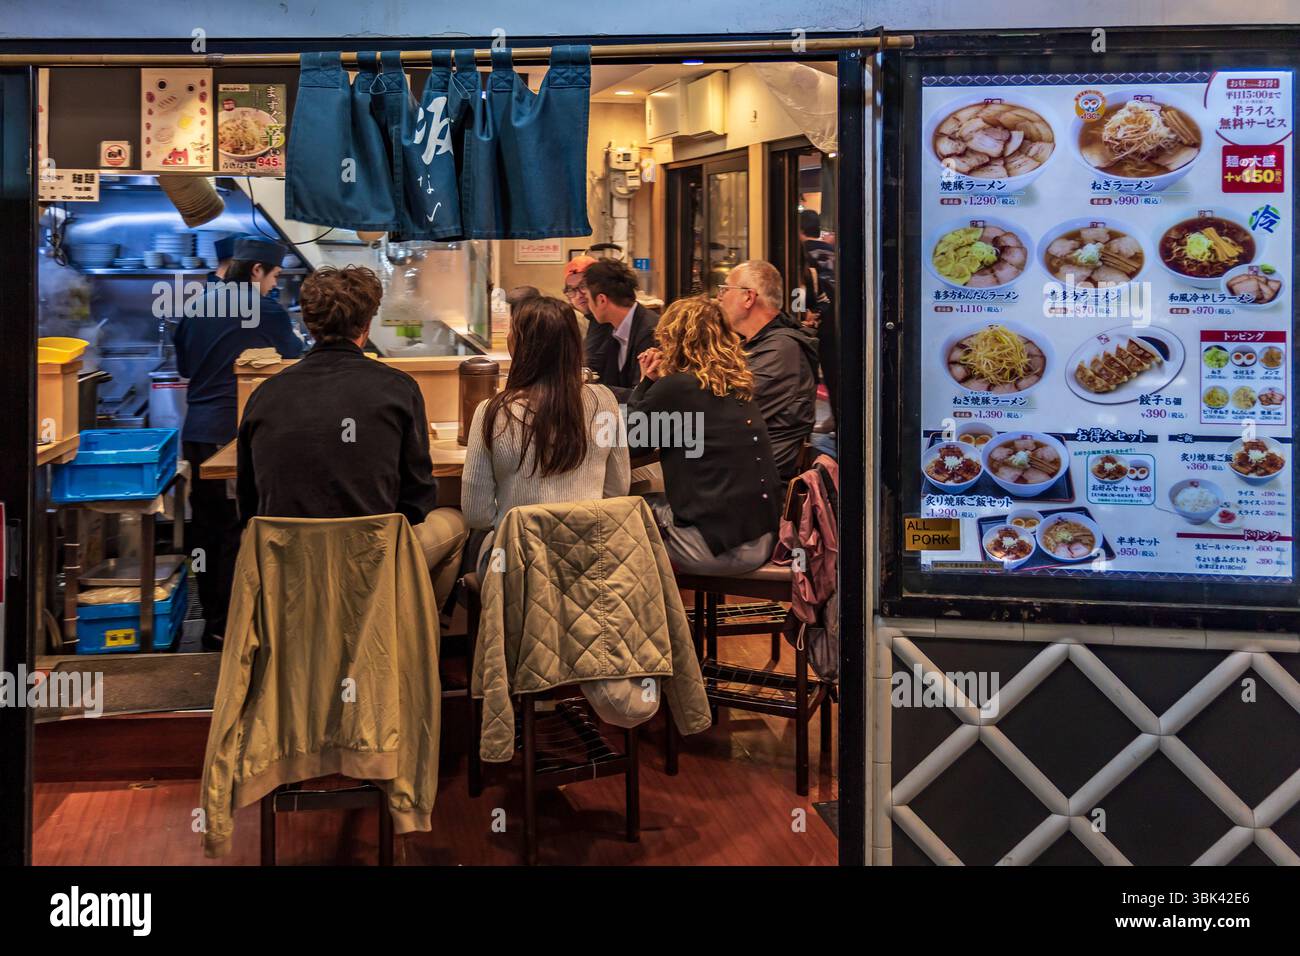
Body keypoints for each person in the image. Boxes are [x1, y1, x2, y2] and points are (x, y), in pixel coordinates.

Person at [236, 265, 468, 609]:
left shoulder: (264, 394)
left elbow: (248, 504)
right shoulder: (398, 388)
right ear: (366, 325)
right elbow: (418, 499)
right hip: (371, 560)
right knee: (457, 523)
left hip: (288, 566)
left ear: (309, 325)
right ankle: (404, 632)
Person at [175, 236, 304, 649]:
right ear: (256, 271)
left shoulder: (195, 305)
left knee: (208, 527)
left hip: (197, 433)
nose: (273, 285)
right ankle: (239, 627)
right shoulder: (267, 311)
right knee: (239, 529)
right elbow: (292, 365)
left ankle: (214, 620)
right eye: (274, 277)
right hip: (237, 434)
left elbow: (185, 366)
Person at [461, 294, 630, 575]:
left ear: (519, 345)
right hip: (590, 561)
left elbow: (476, 514)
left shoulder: (490, 412)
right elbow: (617, 490)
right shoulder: (604, 401)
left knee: (474, 550)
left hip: (517, 564)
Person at [628, 297, 782, 575]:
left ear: (674, 340)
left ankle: (656, 616)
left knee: (622, 515)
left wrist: (646, 382)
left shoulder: (676, 388)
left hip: (714, 549)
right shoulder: (737, 385)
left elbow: (630, 446)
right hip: (762, 538)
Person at [717, 259, 818, 481]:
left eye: (725, 288)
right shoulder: (757, 344)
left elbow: (724, 411)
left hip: (749, 487)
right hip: (735, 472)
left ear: (748, 297)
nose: (719, 297)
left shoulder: (782, 350)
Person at [580, 258, 659, 402]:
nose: (588, 307)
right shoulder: (612, 326)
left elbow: (643, 393)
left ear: (602, 300)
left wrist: (596, 391)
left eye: (587, 299)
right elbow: (595, 367)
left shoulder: (649, 330)